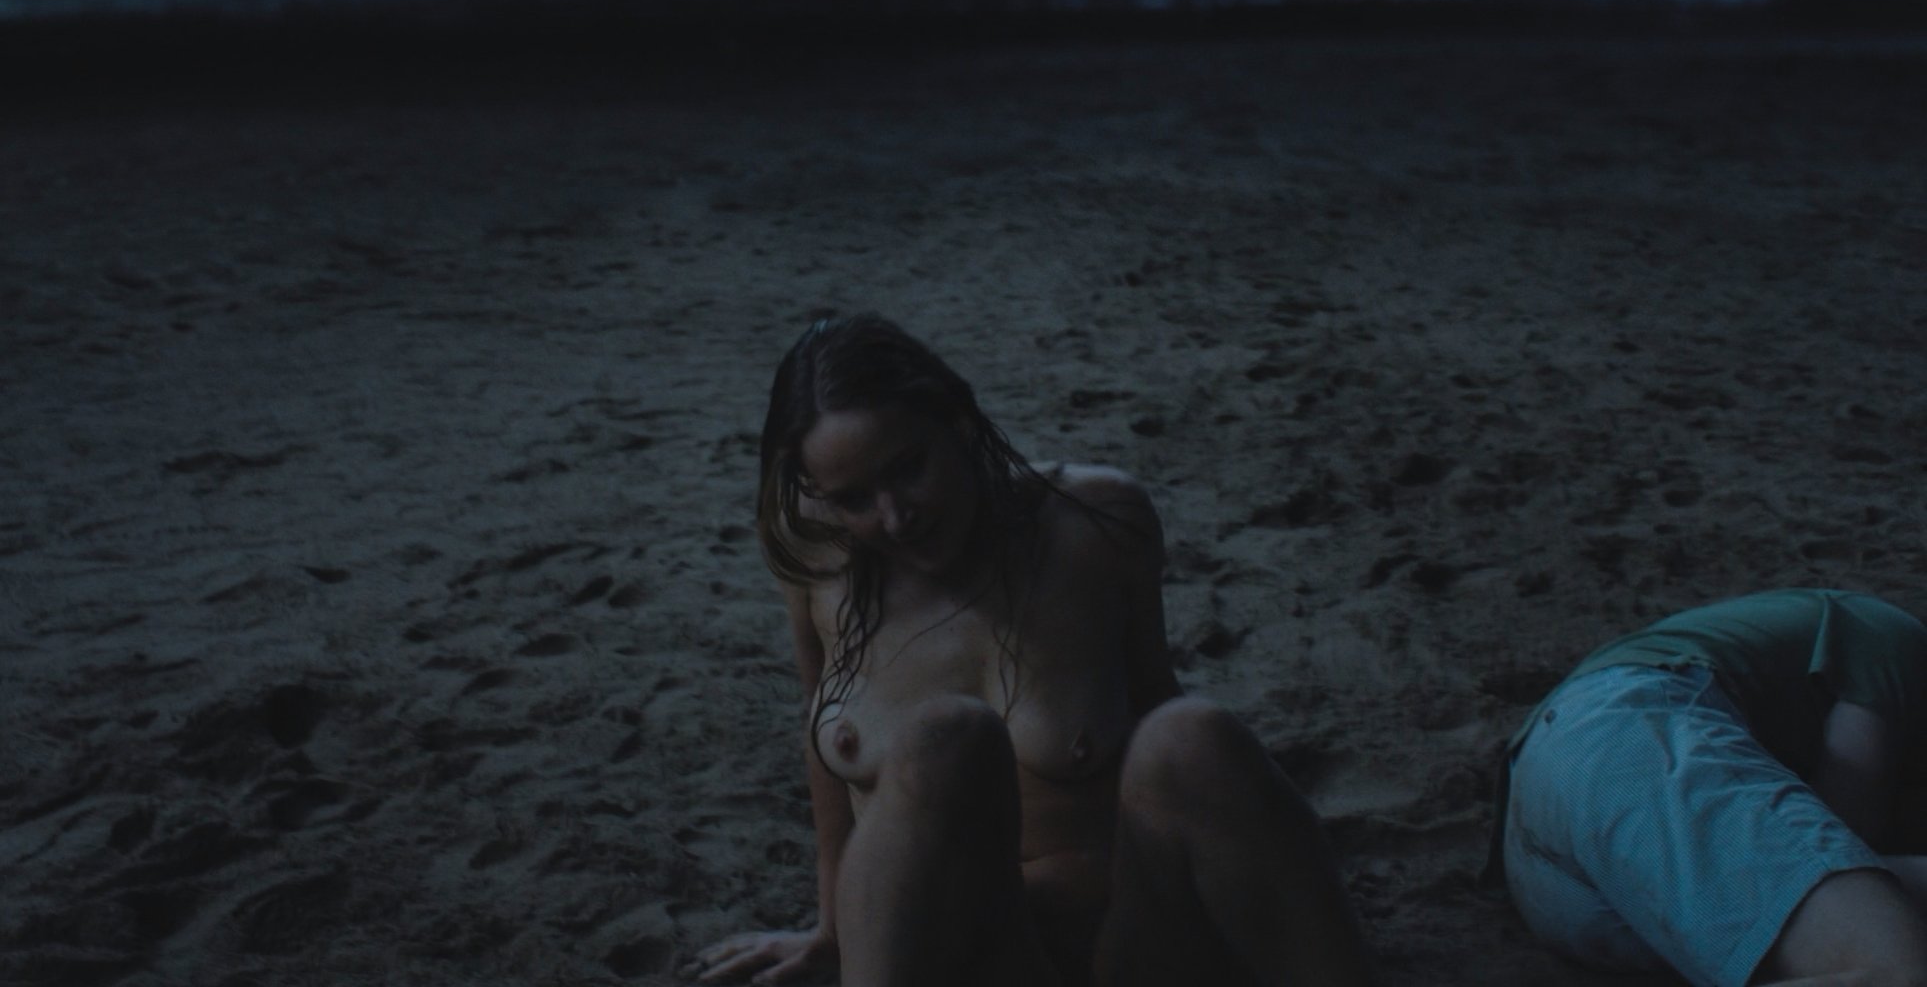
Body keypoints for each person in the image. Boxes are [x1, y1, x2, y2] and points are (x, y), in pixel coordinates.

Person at [683, 313, 1374, 987]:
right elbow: (820, 727)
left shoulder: (1093, 522)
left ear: (957, 422)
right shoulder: (819, 561)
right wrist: (832, 930)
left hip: (1129, 946)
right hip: (966, 956)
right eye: (855, 499)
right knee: (944, 738)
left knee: (1190, 735)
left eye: (909, 468)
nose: (895, 517)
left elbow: (1156, 711)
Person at [1492, 588, 1927, 986]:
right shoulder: (1894, 640)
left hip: (1564, 871)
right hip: (1627, 734)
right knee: (1890, 969)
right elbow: (1839, 842)